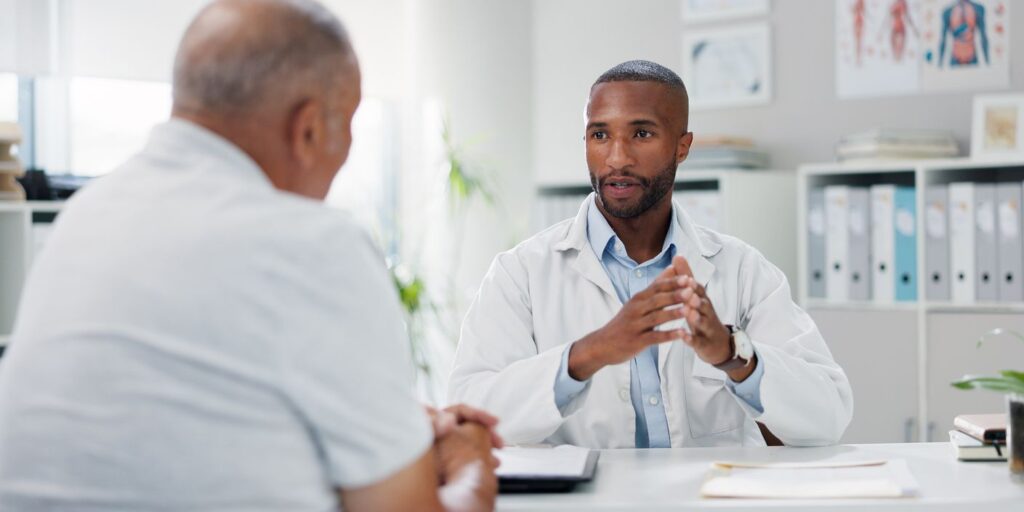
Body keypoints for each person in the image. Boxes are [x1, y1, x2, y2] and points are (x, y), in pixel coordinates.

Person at [0, 1, 499, 510]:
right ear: (308, 130)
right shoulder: (313, 244)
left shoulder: (84, 217)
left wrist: (391, 431)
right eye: (346, 128)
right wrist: (470, 463)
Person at [448, 60, 853, 449]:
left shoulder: (743, 270)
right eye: (599, 135)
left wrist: (733, 355)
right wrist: (589, 353)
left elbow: (828, 417)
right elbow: (469, 411)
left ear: (682, 147)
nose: (617, 157)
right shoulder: (520, 273)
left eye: (641, 134)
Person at [938, 0, 989, 67]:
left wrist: (987, 61)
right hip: (955, 57)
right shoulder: (948, 11)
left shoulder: (978, 9)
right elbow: (943, 39)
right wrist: (939, 63)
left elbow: (983, 36)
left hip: (971, 57)